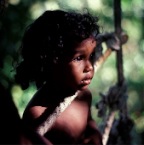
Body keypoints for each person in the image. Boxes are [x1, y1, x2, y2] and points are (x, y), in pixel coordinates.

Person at [14, 9, 103, 145]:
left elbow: (88, 122)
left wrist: (93, 132)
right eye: (79, 58)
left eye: (90, 56)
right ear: (52, 61)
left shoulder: (83, 96)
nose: (89, 67)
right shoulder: (37, 115)